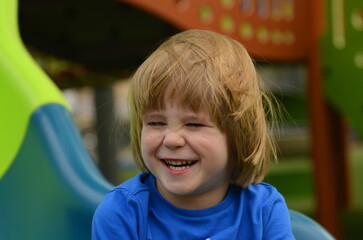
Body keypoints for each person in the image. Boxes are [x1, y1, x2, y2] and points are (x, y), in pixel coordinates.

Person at [92, 29, 295, 240]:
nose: (171, 139)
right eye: (156, 123)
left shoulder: (263, 210)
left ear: (238, 136)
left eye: (193, 124)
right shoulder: (122, 213)